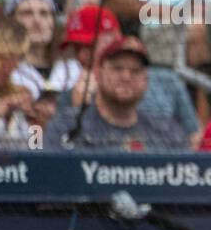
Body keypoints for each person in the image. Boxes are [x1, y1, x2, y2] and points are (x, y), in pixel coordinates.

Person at [44, 35, 190, 152]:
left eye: (135, 71)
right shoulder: (67, 127)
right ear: (98, 73)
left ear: (146, 80)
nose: (126, 77)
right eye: (117, 68)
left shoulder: (167, 133)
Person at [0, 17, 31, 149]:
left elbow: (35, 149)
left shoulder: (14, 94)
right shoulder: (4, 103)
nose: (14, 65)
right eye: (7, 58)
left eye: (18, 58)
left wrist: (37, 123)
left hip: (11, 168)